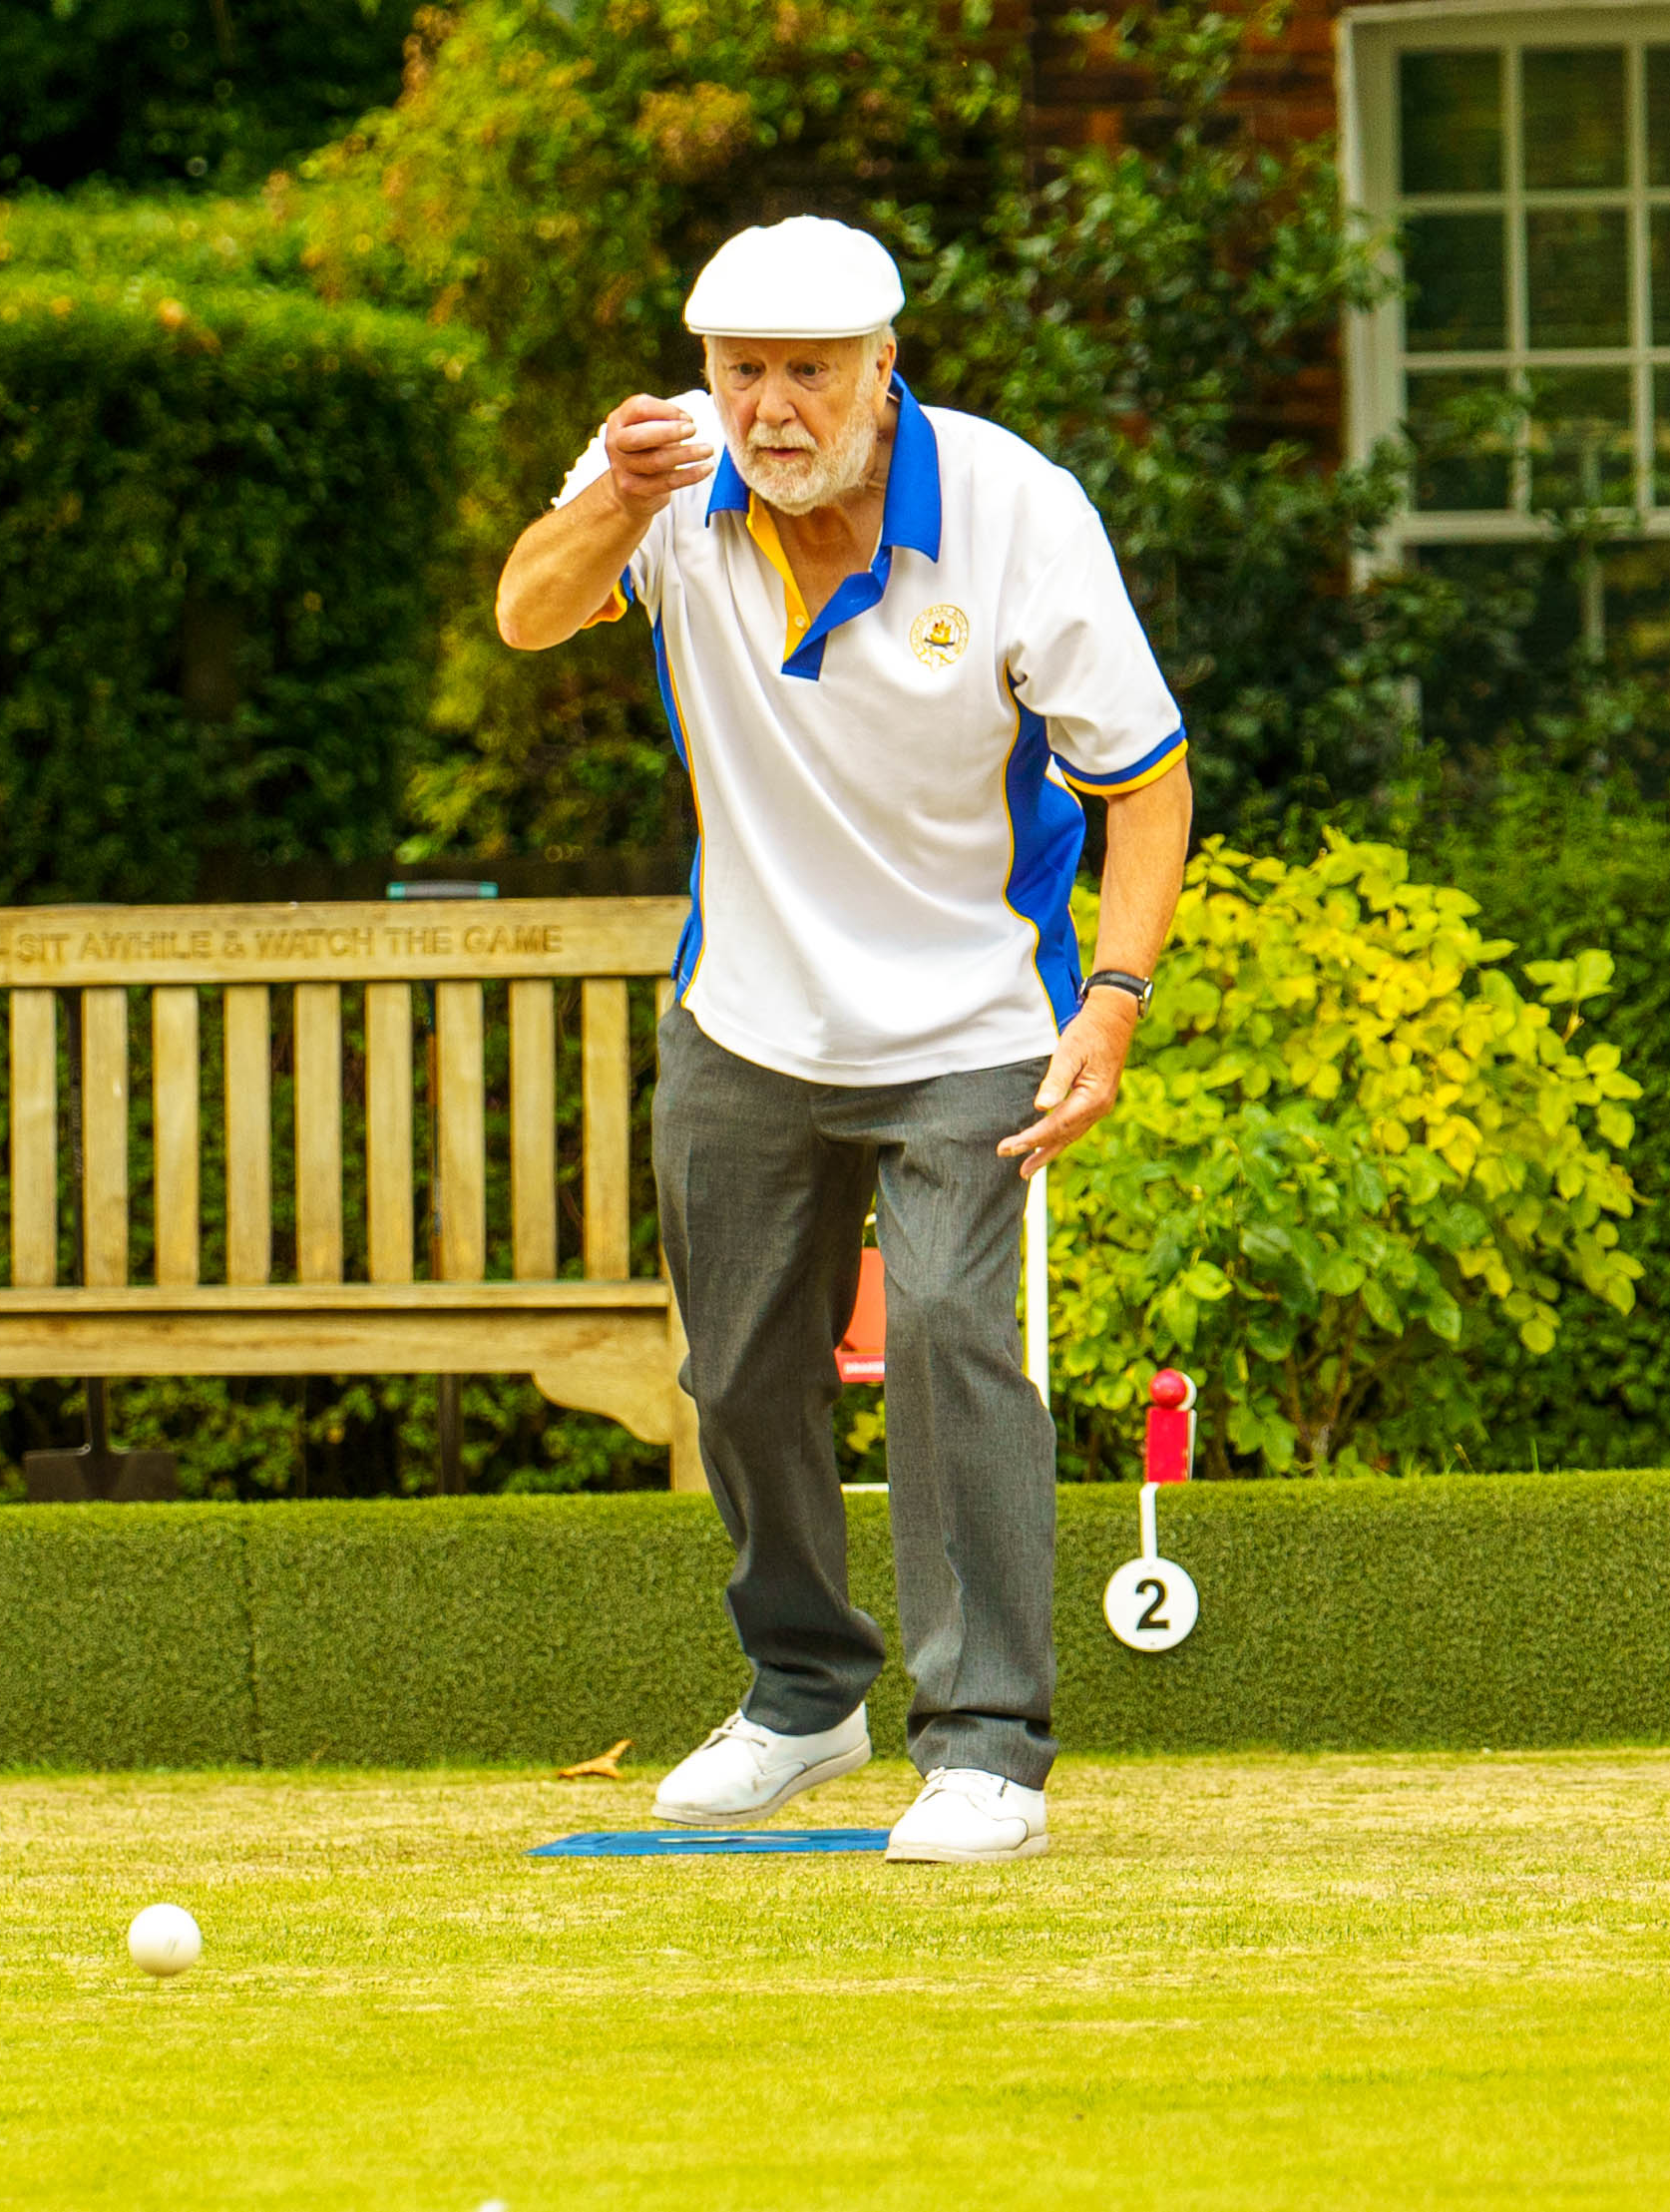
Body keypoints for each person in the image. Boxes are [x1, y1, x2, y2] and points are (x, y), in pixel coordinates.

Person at [495, 218, 1194, 1864]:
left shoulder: (1016, 509)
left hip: (973, 1013)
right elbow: (527, 614)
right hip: (744, 1014)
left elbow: (1146, 782)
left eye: (809, 371)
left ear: (885, 367)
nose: (770, 408)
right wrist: (610, 500)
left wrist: (1113, 999)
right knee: (737, 1370)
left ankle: (987, 1744)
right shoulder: (663, 475)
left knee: (948, 1329)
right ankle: (803, 1695)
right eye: (741, 369)